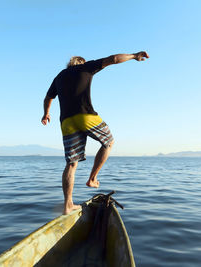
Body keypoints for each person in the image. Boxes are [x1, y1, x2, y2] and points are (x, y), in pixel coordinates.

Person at [41, 51, 149, 214]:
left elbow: (48, 98)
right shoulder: (86, 67)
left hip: (67, 122)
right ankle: (92, 179)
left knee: (71, 164)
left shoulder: (60, 76)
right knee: (109, 142)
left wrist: (46, 113)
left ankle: (67, 205)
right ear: (81, 63)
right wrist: (134, 56)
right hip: (86, 116)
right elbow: (113, 59)